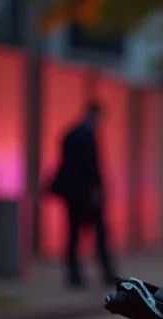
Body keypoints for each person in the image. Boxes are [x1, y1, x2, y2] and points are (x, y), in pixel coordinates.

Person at [50, 100, 116, 288]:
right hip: (85, 193)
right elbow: (92, 166)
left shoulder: (71, 133)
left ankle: (74, 273)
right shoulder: (87, 135)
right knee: (99, 233)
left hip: (72, 192)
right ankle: (105, 271)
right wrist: (97, 188)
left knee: (73, 233)